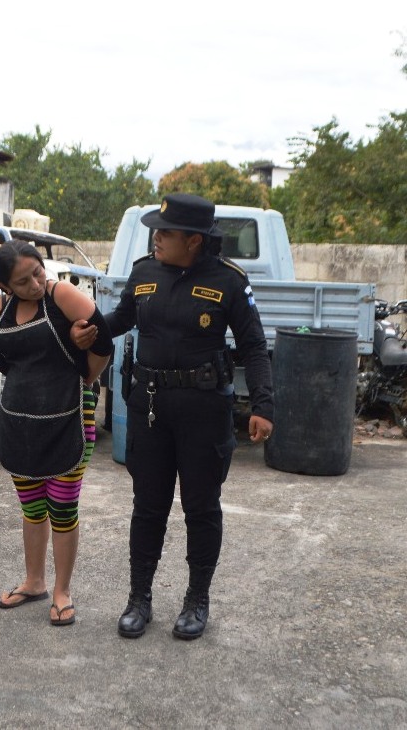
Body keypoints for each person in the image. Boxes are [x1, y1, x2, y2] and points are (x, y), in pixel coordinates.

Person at [72, 193, 274, 640]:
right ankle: (139, 599)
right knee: (148, 507)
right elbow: (123, 317)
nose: (156, 238)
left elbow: (254, 346)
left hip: (204, 411)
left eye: (165, 232)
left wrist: (263, 405)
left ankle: (196, 599)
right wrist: (91, 330)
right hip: (149, 407)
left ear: (195, 241)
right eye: (155, 231)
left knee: (201, 508)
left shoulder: (229, 281)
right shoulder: (145, 272)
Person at [0, 240, 112, 626]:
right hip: (19, 422)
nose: (35, 284)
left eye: (37, 272)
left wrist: (85, 375)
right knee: (32, 507)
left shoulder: (62, 296)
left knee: (62, 505)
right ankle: (34, 581)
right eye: (23, 282)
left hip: (68, 419)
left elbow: (104, 339)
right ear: (6, 287)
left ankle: (62, 591)